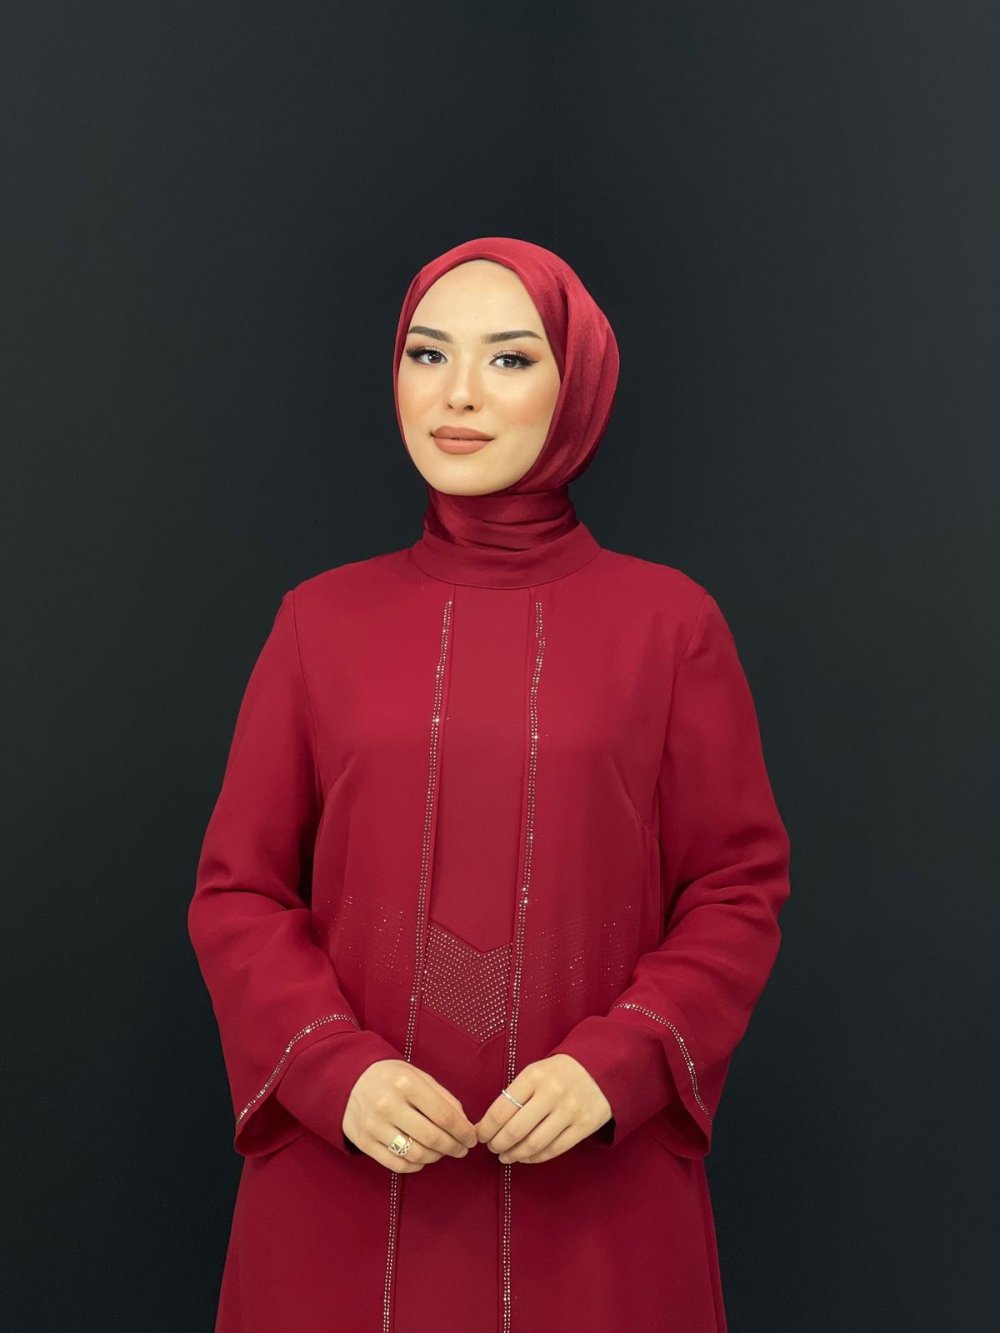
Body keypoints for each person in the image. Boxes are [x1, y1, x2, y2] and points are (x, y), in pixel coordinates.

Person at [188, 235, 792, 1332]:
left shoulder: (670, 625)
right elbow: (238, 891)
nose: (457, 392)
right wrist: (332, 1071)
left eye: (509, 358)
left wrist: (620, 1064)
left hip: (593, 1189)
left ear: (579, 388)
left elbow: (735, 888)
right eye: (427, 353)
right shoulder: (317, 621)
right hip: (347, 1179)